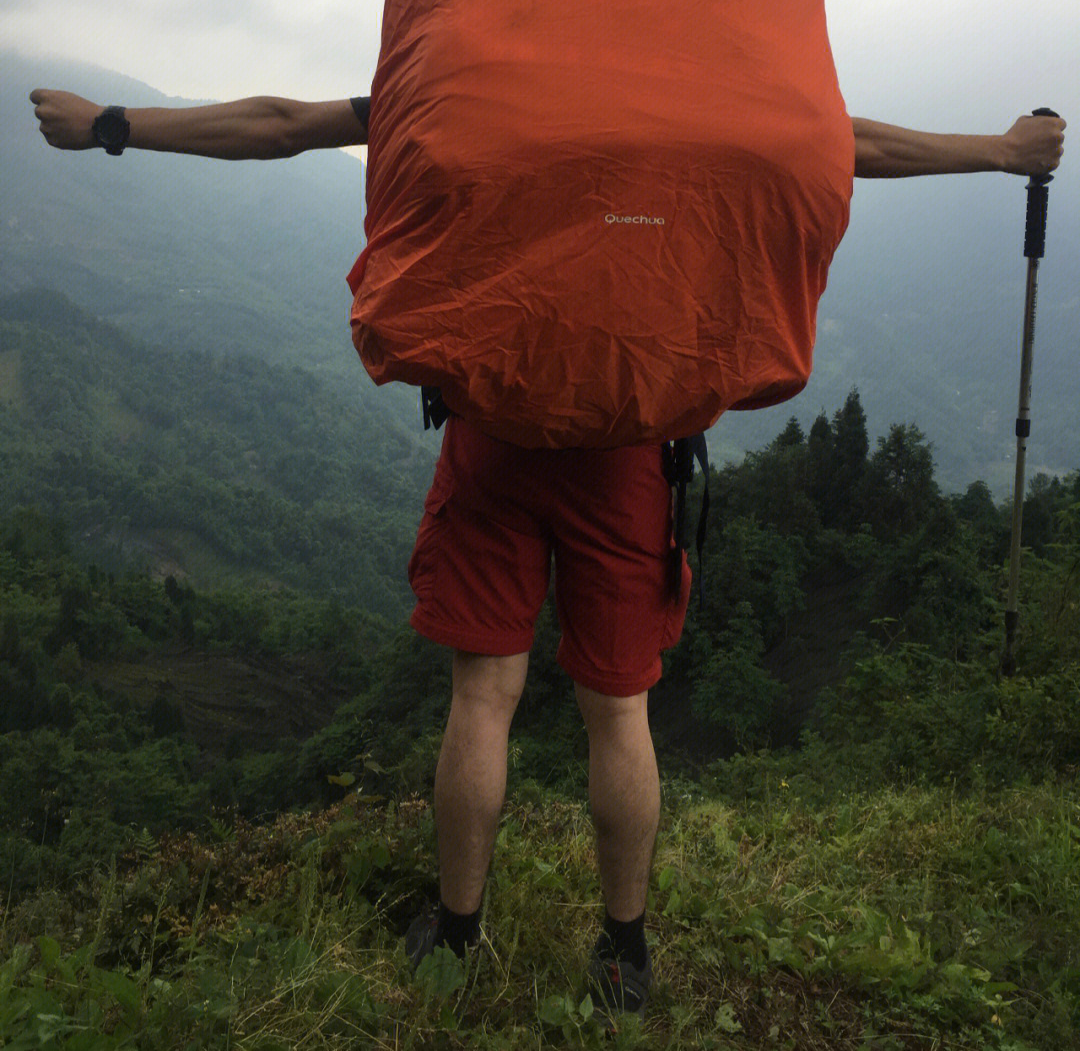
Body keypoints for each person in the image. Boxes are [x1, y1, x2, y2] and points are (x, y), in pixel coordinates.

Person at [30, 87, 1066, 1014]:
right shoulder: (687, 99)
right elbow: (840, 142)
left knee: (484, 692)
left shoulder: (485, 80)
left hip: (497, 422)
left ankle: (459, 933)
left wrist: (109, 127)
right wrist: (1002, 151)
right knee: (618, 708)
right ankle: (624, 954)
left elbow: (289, 125)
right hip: (628, 444)